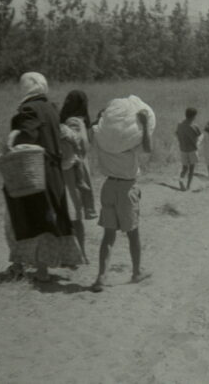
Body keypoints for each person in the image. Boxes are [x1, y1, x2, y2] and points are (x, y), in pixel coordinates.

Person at [4, 73, 86, 282]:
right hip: (54, 171)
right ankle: (51, 265)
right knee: (51, 218)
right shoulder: (50, 108)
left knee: (32, 218)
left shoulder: (29, 109)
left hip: (34, 172)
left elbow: (27, 135)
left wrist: (13, 137)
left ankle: (36, 269)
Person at [92, 101, 152, 290]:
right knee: (133, 233)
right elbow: (148, 148)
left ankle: (101, 276)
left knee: (108, 235)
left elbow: (96, 129)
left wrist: (101, 118)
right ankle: (136, 272)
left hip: (108, 186)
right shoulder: (128, 145)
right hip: (127, 188)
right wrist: (143, 126)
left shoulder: (102, 142)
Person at [58, 90, 96, 259]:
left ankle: (77, 254)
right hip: (80, 167)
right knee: (76, 213)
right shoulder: (82, 122)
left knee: (72, 212)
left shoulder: (71, 122)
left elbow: (71, 146)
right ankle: (81, 253)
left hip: (71, 170)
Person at [175, 107, 202, 192]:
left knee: (184, 168)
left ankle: (181, 179)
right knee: (191, 169)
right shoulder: (194, 126)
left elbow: (176, 134)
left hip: (183, 149)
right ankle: (188, 186)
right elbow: (199, 136)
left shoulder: (180, 124)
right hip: (192, 150)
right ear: (193, 116)